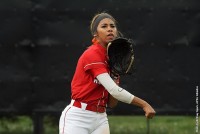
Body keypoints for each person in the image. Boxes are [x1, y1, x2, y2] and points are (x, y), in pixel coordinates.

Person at [59, 12, 156, 134]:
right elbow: (114, 91)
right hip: (78, 117)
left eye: (112, 26)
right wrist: (144, 104)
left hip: (101, 118)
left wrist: (115, 75)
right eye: (104, 26)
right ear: (95, 33)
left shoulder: (113, 60)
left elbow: (112, 103)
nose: (109, 29)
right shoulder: (92, 54)